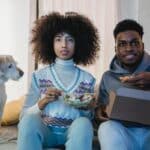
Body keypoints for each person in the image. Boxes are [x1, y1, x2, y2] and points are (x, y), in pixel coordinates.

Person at [17, 12, 100, 150]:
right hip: (45, 131)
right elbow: (23, 116)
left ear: (78, 43)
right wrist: (42, 102)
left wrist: (86, 107)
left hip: (73, 132)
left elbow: (88, 117)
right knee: (28, 121)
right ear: (50, 42)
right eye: (58, 39)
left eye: (70, 40)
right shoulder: (39, 76)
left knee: (84, 123)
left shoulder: (88, 79)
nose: (64, 45)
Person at [97, 19, 150, 150]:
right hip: (123, 134)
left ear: (142, 45)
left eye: (134, 43)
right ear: (116, 49)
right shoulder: (108, 77)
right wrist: (100, 112)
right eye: (122, 44)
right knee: (106, 128)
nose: (129, 48)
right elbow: (101, 108)